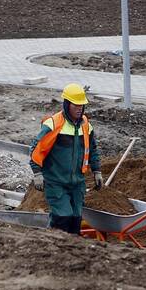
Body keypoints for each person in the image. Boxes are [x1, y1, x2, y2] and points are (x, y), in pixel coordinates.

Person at [30, 83, 102, 235]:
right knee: (62, 216)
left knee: (76, 219)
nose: (79, 109)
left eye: (82, 105)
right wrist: (37, 173)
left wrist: (97, 171)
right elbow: (37, 149)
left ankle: (71, 252)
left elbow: (92, 149)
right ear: (67, 104)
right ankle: (51, 244)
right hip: (56, 181)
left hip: (77, 183)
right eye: (76, 105)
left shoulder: (86, 126)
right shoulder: (53, 125)